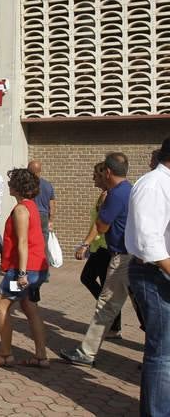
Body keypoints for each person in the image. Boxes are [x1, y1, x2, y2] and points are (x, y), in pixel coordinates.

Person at [61, 152, 132, 367]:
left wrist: (85, 243)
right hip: (135, 257)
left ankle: (87, 352)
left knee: (106, 304)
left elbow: (102, 225)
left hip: (122, 258)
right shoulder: (131, 189)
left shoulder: (115, 194)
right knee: (144, 308)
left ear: (108, 172)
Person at [0, 168, 50, 368]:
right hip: (37, 266)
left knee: (0, 304)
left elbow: (22, 243)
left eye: (11, 183)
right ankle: (41, 356)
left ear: (18, 187)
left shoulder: (21, 210)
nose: (8, 186)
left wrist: (21, 274)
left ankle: (4, 354)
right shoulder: (31, 206)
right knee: (29, 307)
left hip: (25, 269)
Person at [125, 137, 170, 416]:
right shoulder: (154, 185)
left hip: (161, 271)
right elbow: (148, 242)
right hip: (154, 274)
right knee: (163, 353)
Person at [75, 162, 121, 338]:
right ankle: (113, 322)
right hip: (98, 247)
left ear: (105, 175)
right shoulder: (102, 195)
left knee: (97, 283)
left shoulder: (108, 196)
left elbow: (101, 224)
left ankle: (113, 325)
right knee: (94, 282)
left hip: (105, 248)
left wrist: (85, 244)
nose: (93, 177)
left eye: (96, 175)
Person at [28, 160, 56, 245]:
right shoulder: (48, 185)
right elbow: (52, 205)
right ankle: (43, 257)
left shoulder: (28, 185)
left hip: (32, 214)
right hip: (44, 216)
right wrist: (51, 221)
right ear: (40, 171)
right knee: (44, 242)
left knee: (31, 240)